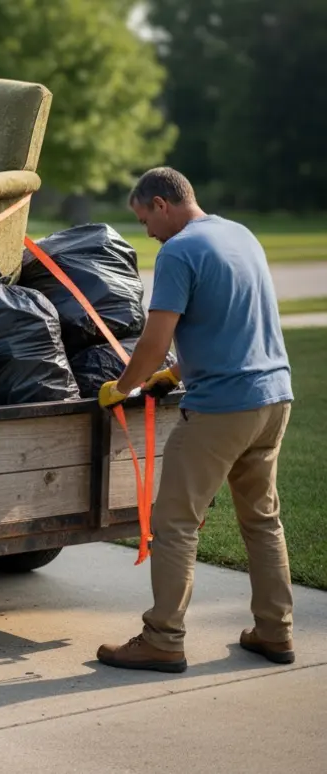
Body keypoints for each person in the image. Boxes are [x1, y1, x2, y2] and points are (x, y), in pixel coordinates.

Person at [93, 167, 295, 673]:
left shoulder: (178, 251)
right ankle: (276, 631)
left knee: (175, 523)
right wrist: (174, 374)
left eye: (145, 220)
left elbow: (154, 340)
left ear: (162, 204)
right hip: (274, 399)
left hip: (221, 408)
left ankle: (162, 639)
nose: (147, 232)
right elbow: (234, 323)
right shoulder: (240, 235)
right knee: (262, 520)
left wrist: (125, 386)